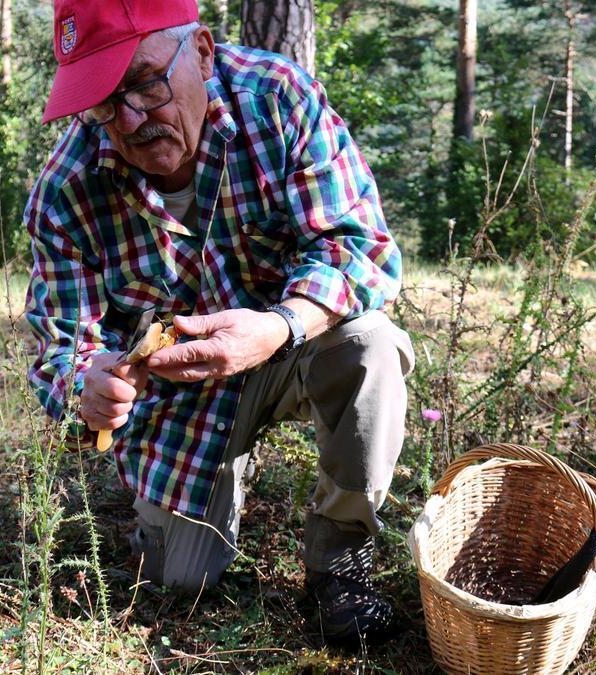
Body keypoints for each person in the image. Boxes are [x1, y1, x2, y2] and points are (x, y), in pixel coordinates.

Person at [23, 0, 414, 644]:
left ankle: (340, 560)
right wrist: (84, 387)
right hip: (178, 398)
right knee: (182, 584)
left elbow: (358, 249)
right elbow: (60, 344)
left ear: (201, 51)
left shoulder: (278, 101)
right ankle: (190, 498)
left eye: (145, 82)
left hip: (289, 348)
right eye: (103, 100)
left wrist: (279, 326)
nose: (130, 119)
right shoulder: (68, 190)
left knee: (370, 341)